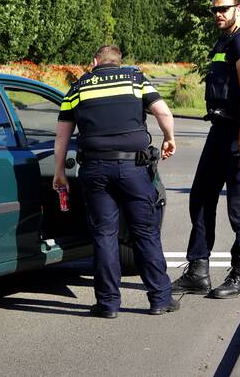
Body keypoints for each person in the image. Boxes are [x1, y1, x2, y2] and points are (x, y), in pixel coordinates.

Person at [53, 45, 179, 318]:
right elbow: (163, 113)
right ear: (118, 63)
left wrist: (59, 171)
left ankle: (108, 304)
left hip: (95, 169)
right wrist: (169, 137)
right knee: (145, 233)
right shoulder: (135, 80)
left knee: (104, 236)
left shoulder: (77, 89)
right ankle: (160, 299)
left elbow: (62, 135)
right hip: (134, 168)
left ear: (94, 61)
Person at [172, 0, 240, 299]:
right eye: (214, 9)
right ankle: (198, 271)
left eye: (224, 9)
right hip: (220, 128)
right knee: (200, 197)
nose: (218, 14)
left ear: (238, 8)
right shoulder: (224, 41)